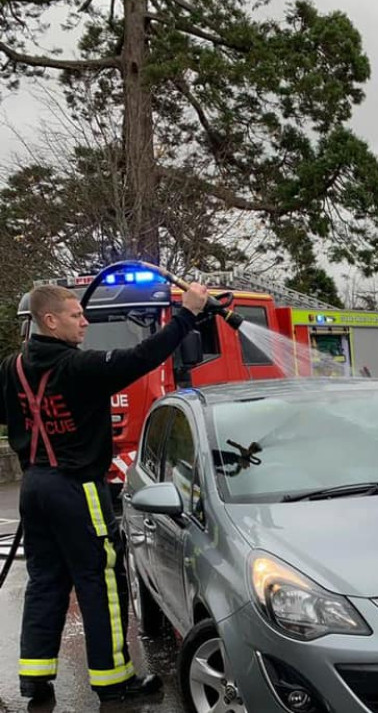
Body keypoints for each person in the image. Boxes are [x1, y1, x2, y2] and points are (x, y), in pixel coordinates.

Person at [0, 280, 209, 703]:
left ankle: (34, 677)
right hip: (78, 487)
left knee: (45, 581)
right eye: (76, 316)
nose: (85, 322)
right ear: (50, 320)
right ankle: (114, 679)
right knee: (101, 579)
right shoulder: (78, 368)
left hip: (35, 486)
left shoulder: (12, 367)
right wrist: (186, 314)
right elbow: (141, 357)